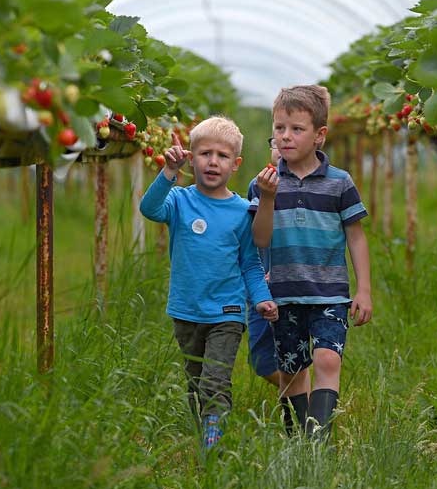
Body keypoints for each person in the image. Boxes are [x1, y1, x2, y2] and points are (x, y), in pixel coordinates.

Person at [139, 116, 278, 450]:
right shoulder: (180, 200)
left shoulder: (243, 211)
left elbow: (250, 263)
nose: (213, 161)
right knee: (195, 378)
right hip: (186, 310)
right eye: (204, 154)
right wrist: (168, 174)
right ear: (191, 156)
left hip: (227, 312)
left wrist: (261, 298)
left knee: (215, 379)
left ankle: (213, 438)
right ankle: (200, 425)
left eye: (222, 156)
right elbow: (149, 208)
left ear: (235, 164)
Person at [250, 85, 373, 440]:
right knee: (290, 370)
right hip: (283, 293)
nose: (286, 136)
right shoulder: (264, 183)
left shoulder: (340, 183)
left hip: (330, 292)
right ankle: (299, 440)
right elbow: (260, 239)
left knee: (327, 359)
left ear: (320, 135)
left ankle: (319, 441)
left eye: (296, 129)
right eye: (279, 128)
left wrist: (363, 290)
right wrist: (269, 197)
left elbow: (356, 236)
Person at [245, 142, 310, 436]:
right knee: (261, 359)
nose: (282, 143)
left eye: (293, 132)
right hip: (262, 287)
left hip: (296, 286)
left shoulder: (315, 186)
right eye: (274, 138)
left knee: (292, 351)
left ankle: (303, 420)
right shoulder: (257, 186)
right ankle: (302, 389)